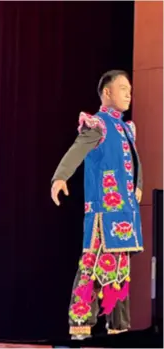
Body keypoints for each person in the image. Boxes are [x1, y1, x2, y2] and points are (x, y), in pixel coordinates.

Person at [51, 70, 144, 339]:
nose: (128, 93)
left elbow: (137, 162)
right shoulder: (98, 124)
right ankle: (80, 326)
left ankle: (119, 327)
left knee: (120, 269)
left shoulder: (126, 127)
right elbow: (77, 150)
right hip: (104, 212)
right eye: (123, 88)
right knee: (92, 265)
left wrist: (137, 187)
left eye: (130, 89)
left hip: (125, 214)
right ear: (107, 93)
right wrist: (60, 177)